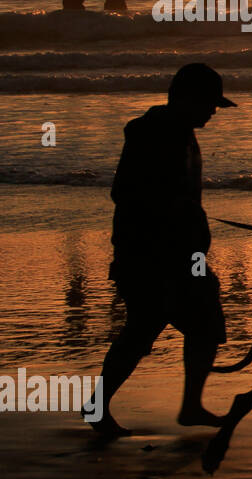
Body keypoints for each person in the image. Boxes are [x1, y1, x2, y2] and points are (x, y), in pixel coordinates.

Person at [87, 63, 235, 437]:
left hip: (184, 254)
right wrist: (172, 209)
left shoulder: (180, 132)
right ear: (187, 99)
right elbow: (122, 192)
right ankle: (99, 407)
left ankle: (189, 406)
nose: (214, 111)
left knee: (203, 323)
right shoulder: (151, 133)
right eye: (210, 103)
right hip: (149, 255)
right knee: (143, 330)